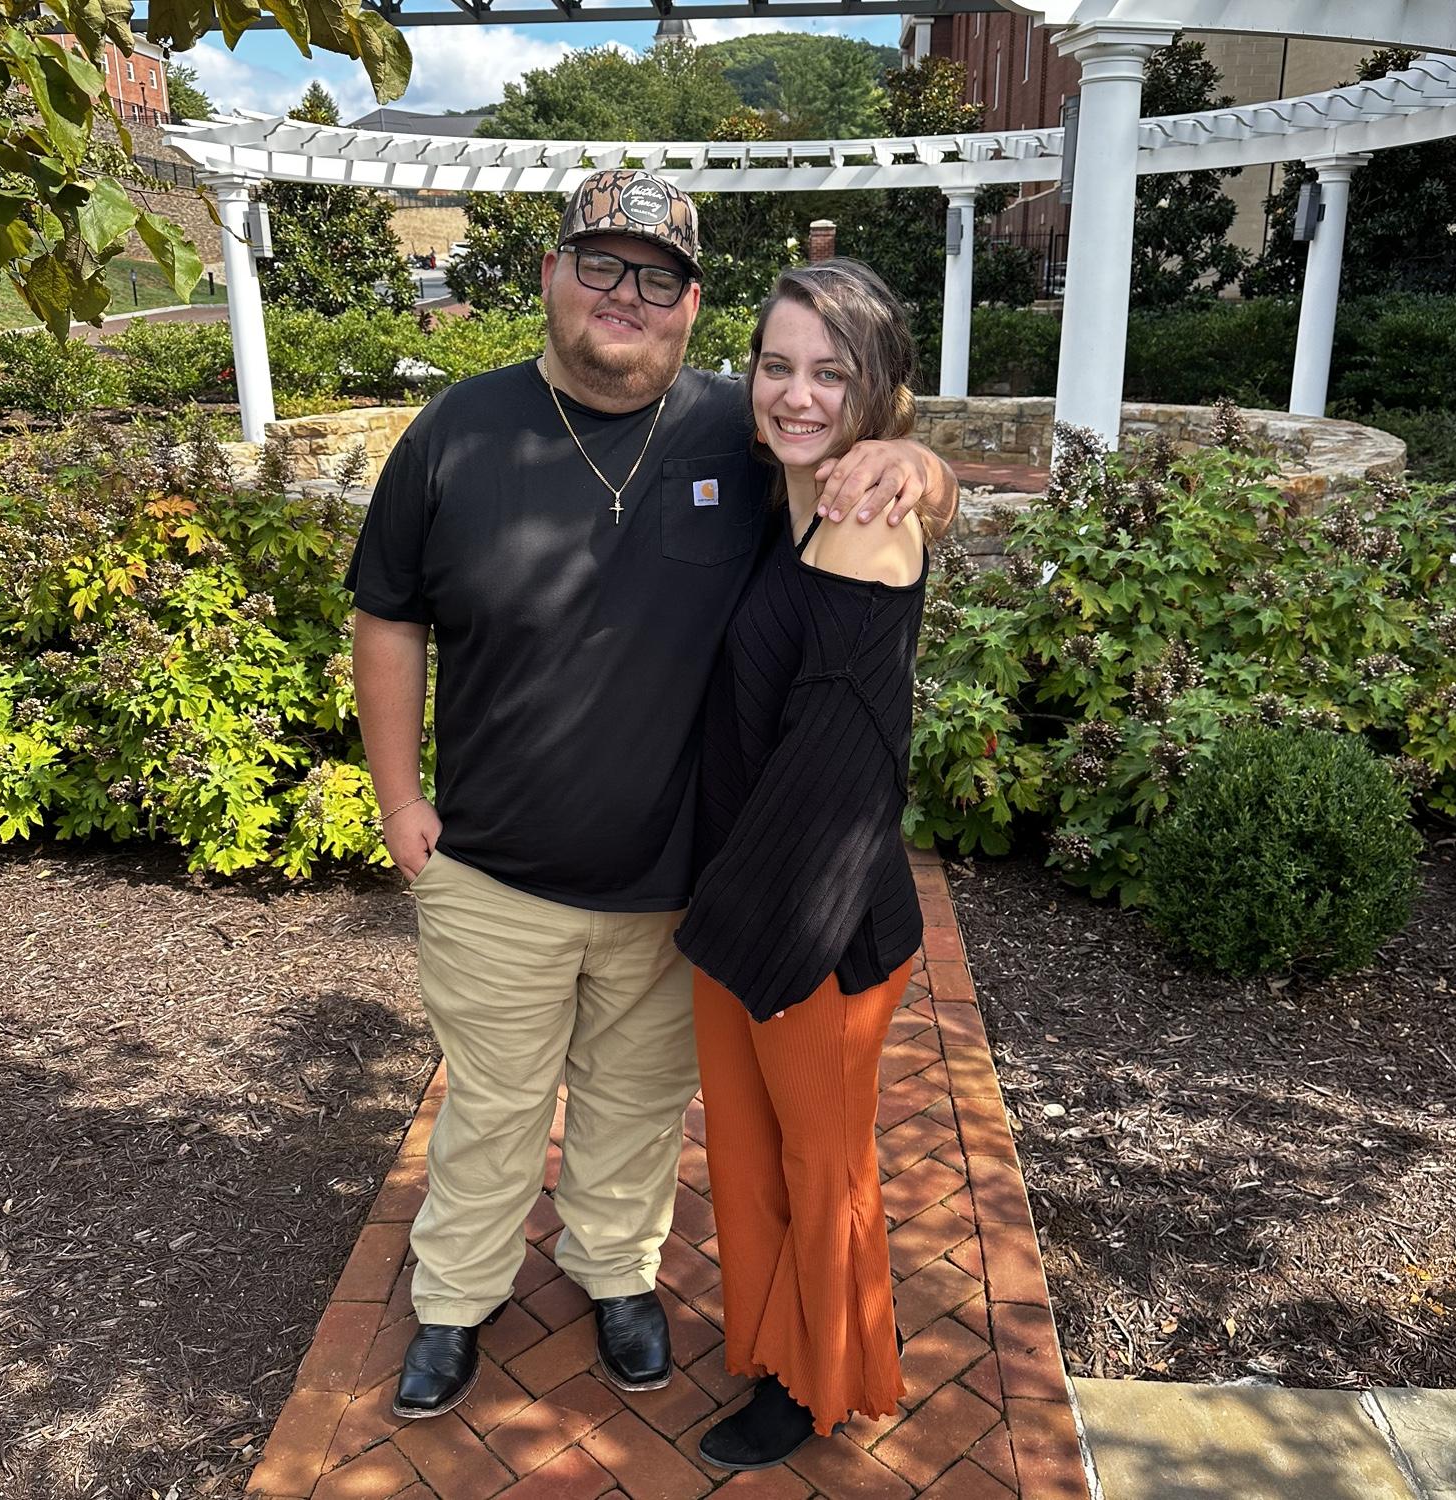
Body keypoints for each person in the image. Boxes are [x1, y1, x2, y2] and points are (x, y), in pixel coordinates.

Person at [345, 168, 957, 1421]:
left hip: (677, 885)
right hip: (495, 873)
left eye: (658, 276)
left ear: (690, 306)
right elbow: (387, 615)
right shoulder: (457, 432)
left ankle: (615, 1275)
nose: (627, 294)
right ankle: (455, 1298)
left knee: (635, 1109)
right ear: (551, 275)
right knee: (492, 1112)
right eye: (602, 264)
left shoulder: (737, 424)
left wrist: (919, 463)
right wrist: (400, 802)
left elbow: (859, 464)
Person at [674, 259, 928, 1470]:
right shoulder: (795, 500)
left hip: (814, 930)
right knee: (748, 1155)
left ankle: (816, 1380)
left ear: (878, 388)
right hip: (743, 905)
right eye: (777, 366)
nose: (797, 393)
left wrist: (767, 949)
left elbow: (839, 778)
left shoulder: (866, 526)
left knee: (821, 1168)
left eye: (832, 373)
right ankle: (784, 1343)